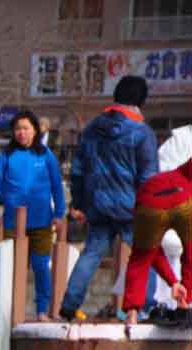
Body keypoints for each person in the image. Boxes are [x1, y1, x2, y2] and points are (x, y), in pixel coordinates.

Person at [58, 76, 159, 321]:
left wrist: (80, 202)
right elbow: (149, 175)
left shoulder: (93, 128)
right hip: (131, 206)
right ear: (141, 100)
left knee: (92, 252)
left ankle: (70, 304)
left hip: (98, 204)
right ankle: (143, 306)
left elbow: (79, 169)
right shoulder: (142, 132)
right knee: (146, 253)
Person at [0, 110, 66, 321]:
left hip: (41, 221)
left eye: (26, 128)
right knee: (13, 269)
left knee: (41, 267)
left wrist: (59, 213)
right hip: (13, 224)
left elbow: (57, 186)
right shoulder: (7, 155)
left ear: (35, 130)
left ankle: (42, 310)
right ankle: (10, 309)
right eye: (17, 129)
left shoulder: (46, 155)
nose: (21, 133)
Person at [121, 157, 192, 325]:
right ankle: (185, 303)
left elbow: (152, 253)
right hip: (184, 202)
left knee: (140, 259)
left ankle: (132, 313)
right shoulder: (184, 176)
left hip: (149, 202)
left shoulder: (148, 189)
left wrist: (172, 281)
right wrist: (178, 284)